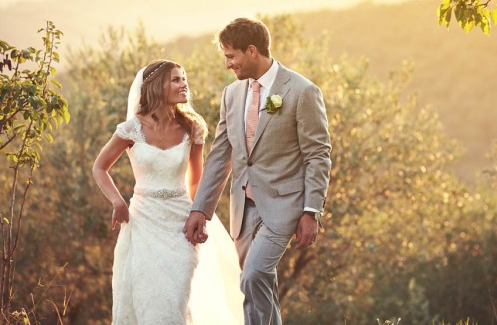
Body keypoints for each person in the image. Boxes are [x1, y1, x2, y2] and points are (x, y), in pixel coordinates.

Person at [183, 18, 332, 324]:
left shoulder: (302, 91)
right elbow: (221, 154)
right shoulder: (232, 94)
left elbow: (318, 154)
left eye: (231, 56)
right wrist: (201, 208)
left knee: (255, 274)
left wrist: (311, 210)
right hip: (243, 208)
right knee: (258, 286)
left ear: (252, 51)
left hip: (285, 205)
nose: (228, 64)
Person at [92, 59, 244, 324]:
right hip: (143, 225)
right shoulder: (131, 129)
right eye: (176, 79)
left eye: (184, 78)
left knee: (175, 299)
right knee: (149, 302)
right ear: (155, 86)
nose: (183, 83)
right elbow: (99, 167)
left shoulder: (193, 127)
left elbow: (196, 183)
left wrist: (201, 217)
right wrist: (117, 202)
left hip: (181, 225)